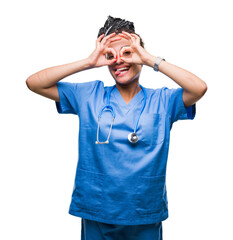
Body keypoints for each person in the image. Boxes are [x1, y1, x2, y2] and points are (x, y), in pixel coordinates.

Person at [26, 15, 207, 240]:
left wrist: (150, 60)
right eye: (110, 55)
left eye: (128, 52)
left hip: (144, 212)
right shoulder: (89, 95)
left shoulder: (164, 100)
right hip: (97, 209)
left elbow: (198, 88)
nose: (119, 61)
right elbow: (34, 83)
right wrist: (89, 62)